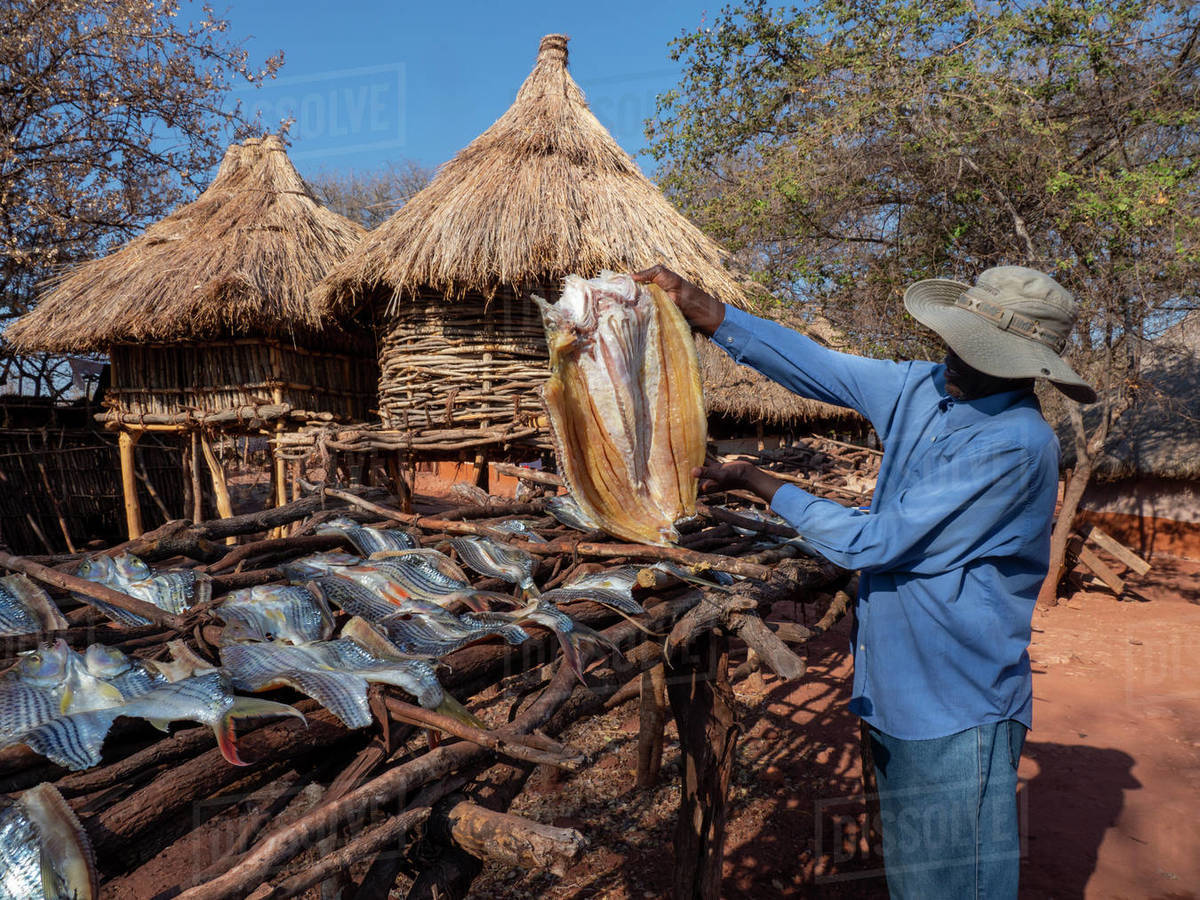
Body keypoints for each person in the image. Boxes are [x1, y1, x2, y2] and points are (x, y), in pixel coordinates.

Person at [634, 264, 1096, 900]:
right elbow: (823, 367)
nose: (954, 358)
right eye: (954, 340)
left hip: (955, 702)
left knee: (950, 884)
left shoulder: (1015, 444)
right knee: (915, 878)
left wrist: (759, 482)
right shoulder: (928, 386)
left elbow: (876, 541)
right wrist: (710, 312)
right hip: (895, 688)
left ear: (1026, 367)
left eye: (977, 352)